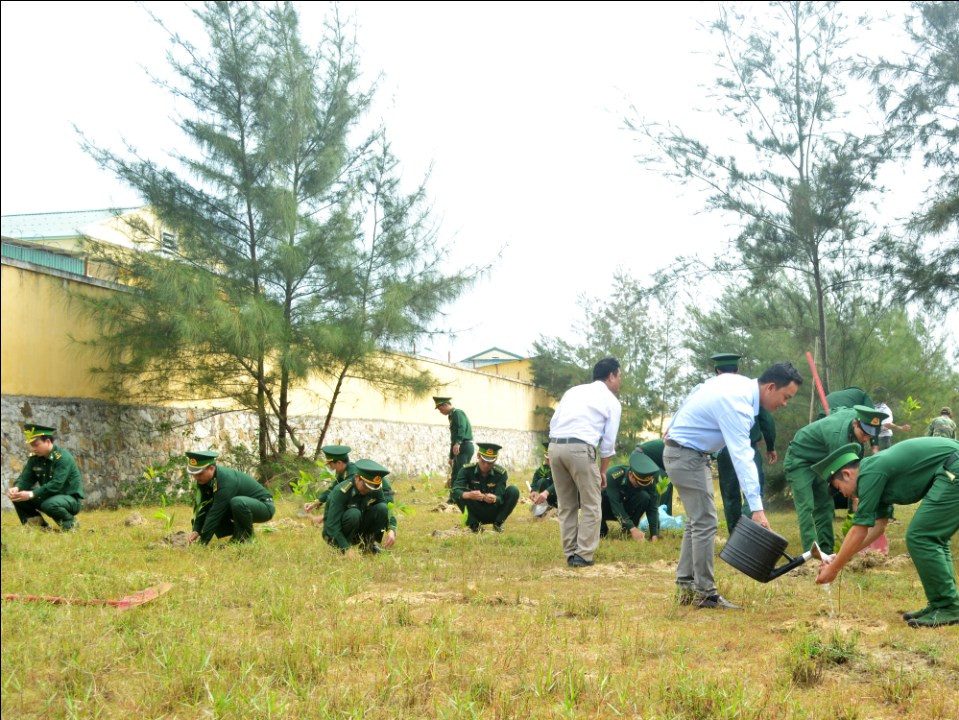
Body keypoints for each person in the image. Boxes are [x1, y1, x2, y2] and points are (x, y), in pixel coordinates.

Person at [664, 361, 803, 609]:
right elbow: (742, 457)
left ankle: (686, 587)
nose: (785, 404)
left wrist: (674, 425)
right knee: (705, 522)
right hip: (686, 456)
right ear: (771, 387)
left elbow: (699, 388)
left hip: (686, 453)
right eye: (786, 397)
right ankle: (705, 594)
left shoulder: (738, 385)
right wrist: (757, 509)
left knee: (697, 521)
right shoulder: (738, 405)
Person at [814, 437, 959, 628]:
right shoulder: (873, 473)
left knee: (922, 536)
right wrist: (840, 557)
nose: (844, 495)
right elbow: (878, 526)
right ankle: (942, 604)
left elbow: (859, 529)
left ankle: (948, 606)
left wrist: (833, 569)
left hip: (953, 468)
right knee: (932, 537)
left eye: (839, 489)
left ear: (847, 474)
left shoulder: (870, 473)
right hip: (950, 468)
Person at [549, 357, 623, 568]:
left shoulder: (573, 391)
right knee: (591, 503)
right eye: (619, 377)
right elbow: (608, 443)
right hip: (580, 448)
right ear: (611, 376)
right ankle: (583, 555)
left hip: (555, 447)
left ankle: (570, 553)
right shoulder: (611, 402)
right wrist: (602, 471)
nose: (619, 381)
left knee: (566, 505)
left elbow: (554, 422)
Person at [784, 404, 888, 552]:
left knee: (825, 506)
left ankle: (827, 551)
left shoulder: (856, 415)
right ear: (855, 423)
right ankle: (811, 554)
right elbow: (846, 476)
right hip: (800, 459)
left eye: (870, 436)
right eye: (864, 434)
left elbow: (836, 409)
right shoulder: (837, 439)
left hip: (822, 460)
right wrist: (856, 499)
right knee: (806, 506)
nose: (866, 438)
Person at [709, 353, 777, 535]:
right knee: (753, 490)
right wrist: (770, 446)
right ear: (737, 370)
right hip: (748, 449)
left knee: (730, 495)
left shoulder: (711, 390)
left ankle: (735, 535)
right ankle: (751, 532)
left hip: (724, 451)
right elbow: (766, 421)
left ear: (717, 370)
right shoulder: (749, 391)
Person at [187, 450, 275, 545]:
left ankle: (246, 538)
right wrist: (196, 529)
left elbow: (216, 513)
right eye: (193, 473)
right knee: (218, 507)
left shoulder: (225, 480)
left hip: (264, 506)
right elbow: (203, 505)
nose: (196, 477)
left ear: (212, 468)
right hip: (242, 507)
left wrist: (202, 542)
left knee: (236, 503)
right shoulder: (204, 480)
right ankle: (238, 536)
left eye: (199, 473)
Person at [8, 423, 83, 531]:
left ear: (47, 442)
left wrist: (31, 494)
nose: (33, 448)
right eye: (31, 445)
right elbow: (25, 478)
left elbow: (56, 485)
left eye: (36, 445)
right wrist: (17, 488)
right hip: (49, 496)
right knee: (17, 496)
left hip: (70, 499)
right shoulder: (35, 459)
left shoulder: (63, 458)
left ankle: (72, 526)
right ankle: (38, 528)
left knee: (49, 504)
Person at [323, 459, 398, 553]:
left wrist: (391, 530)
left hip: (358, 526)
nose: (368, 490)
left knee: (382, 508)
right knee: (354, 513)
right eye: (366, 486)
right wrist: (346, 549)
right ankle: (341, 549)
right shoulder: (341, 491)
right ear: (356, 477)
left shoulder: (373, 488)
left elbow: (387, 510)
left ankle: (368, 546)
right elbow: (331, 526)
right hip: (336, 533)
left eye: (372, 487)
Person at [451, 443, 520, 532]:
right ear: (478, 456)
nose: (486, 465)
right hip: (475, 510)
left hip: (493, 510)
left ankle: (498, 523)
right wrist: (469, 495)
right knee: (459, 493)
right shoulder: (466, 470)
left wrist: (495, 498)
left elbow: (501, 498)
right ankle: (474, 525)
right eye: (483, 461)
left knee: (514, 490)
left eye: (490, 463)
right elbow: (454, 491)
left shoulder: (501, 473)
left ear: (495, 460)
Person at [601, 449, 661, 541]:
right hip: (608, 508)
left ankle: (627, 532)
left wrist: (654, 534)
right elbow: (615, 504)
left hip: (627, 508)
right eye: (638, 484)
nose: (640, 487)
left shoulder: (649, 481)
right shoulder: (614, 475)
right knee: (600, 497)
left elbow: (653, 507)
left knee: (644, 497)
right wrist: (632, 528)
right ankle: (602, 529)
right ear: (630, 474)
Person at [303, 445, 359, 525]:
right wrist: (315, 503)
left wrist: (324, 517)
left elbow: (349, 502)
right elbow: (332, 490)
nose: (331, 468)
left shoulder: (352, 475)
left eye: (331, 465)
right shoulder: (344, 472)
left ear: (339, 463)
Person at [434, 397, 474, 502]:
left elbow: (462, 427)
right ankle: (455, 497)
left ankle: (460, 498)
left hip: (464, 446)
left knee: (461, 474)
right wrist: (451, 457)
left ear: (445, 405)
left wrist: (458, 442)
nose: (440, 412)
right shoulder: (451, 416)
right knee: (456, 473)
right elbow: (453, 438)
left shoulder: (457, 413)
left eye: (440, 409)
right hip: (460, 446)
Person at [637, 438, 671, 515]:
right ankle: (661, 514)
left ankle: (662, 513)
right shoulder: (678, 447)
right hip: (641, 457)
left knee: (665, 480)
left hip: (646, 458)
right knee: (665, 482)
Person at [872, 387, 910, 451]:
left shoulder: (871, 408)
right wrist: (900, 427)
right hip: (883, 440)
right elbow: (887, 424)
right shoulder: (885, 409)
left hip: (871, 439)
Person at [529, 441, 557, 514]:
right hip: (550, 495)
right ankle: (548, 506)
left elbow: (560, 483)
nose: (548, 461)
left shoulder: (561, 468)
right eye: (547, 459)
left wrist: (546, 492)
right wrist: (533, 490)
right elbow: (536, 478)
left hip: (562, 494)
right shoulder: (544, 469)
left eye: (550, 459)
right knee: (542, 481)